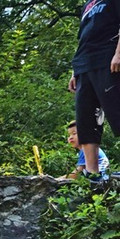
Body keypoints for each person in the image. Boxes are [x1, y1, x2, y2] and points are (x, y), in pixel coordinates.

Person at [68, 0, 120, 182]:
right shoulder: (87, 5)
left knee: (117, 111)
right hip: (84, 64)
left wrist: (119, 53)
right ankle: (92, 173)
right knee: (86, 118)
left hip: (108, 57)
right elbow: (84, 38)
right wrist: (76, 71)